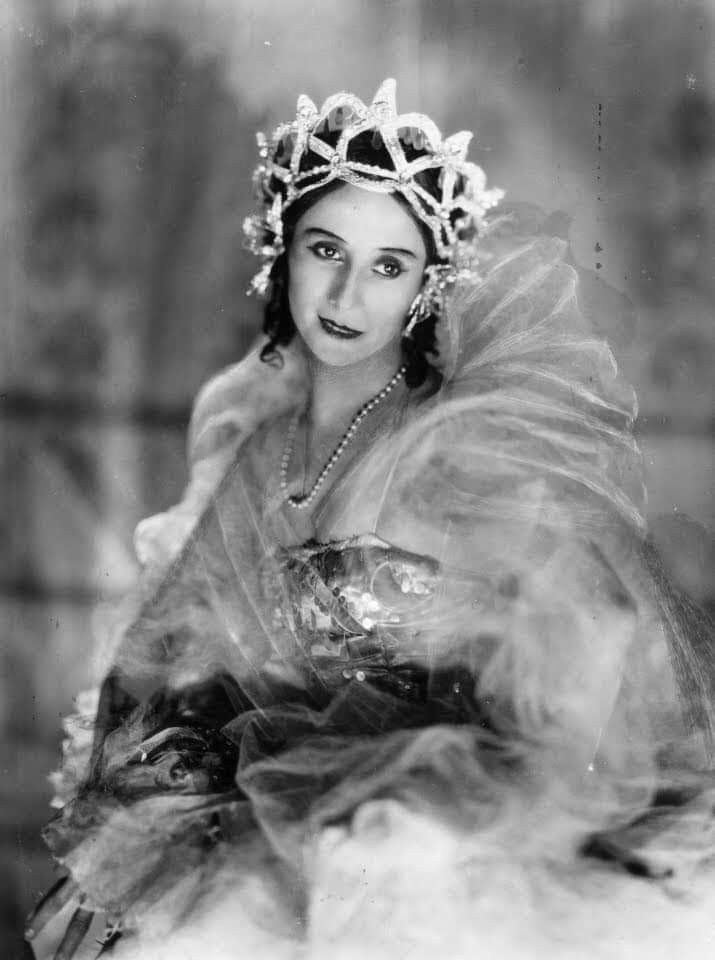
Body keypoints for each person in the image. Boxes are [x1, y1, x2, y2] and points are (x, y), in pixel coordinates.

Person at [28, 79, 715, 960]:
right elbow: (166, 661)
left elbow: (595, 638)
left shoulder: (457, 444)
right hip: (280, 830)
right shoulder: (257, 448)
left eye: (389, 265)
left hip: (435, 842)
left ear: (428, 287)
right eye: (326, 250)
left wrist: (472, 810)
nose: (347, 294)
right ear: (282, 252)